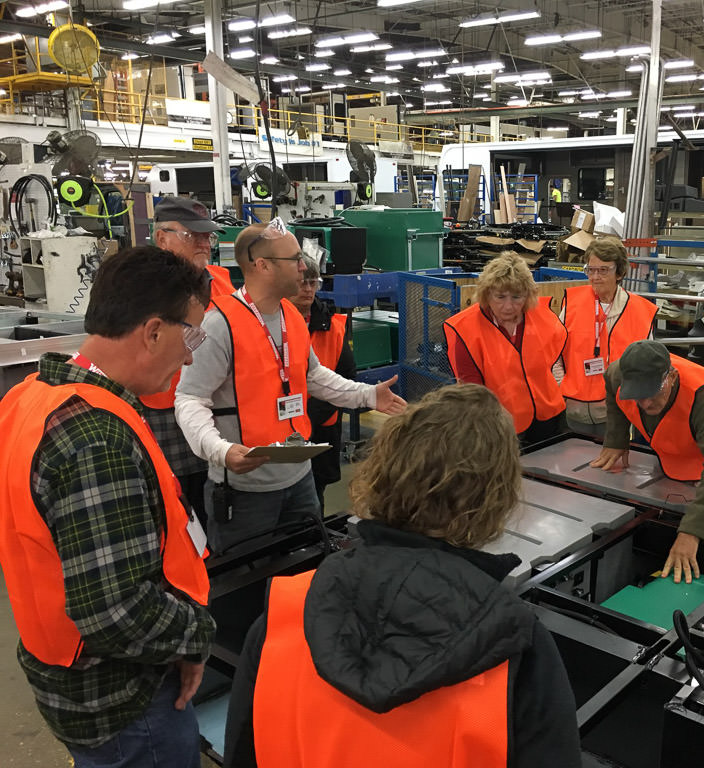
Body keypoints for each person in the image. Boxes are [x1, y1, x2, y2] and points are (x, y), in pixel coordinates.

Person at [222, 384, 581, 768]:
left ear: (384, 470)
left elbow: (243, 751)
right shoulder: (512, 645)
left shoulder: (285, 614)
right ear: (495, 499)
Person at [0, 246, 215, 767]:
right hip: (128, 699)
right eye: (190, 337)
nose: (190, 357)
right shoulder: (94, 438)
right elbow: (117, 613)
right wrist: (198, 637)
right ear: (154, 331)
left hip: (66, 673)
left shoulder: (32, 396)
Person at [175, 218, 406, 555]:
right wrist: (220, 450)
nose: (303, 267)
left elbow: (314, 376)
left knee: (305, 568)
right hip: (245, 492)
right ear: (262, 265)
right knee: (247, 586)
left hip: (299, 478)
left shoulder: (290, 316)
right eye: (294, 260)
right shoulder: (220, 324)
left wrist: (367, 395)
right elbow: (190, 398)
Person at [592, 340, 704, 584]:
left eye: (652, 393)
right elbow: (614, 396)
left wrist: (692, 532)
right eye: (637, 396)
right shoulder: (618, 374)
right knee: (667, 504)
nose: (645, 404)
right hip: (673, 435)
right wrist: (617, 439)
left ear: (672, 377)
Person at [143, 196, 236, 523]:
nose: (203, 243)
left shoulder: (221, 282)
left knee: (217, 493)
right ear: (161, 238)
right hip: (164, 407)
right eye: (191, 235)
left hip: (216, 405)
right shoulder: (138, 287)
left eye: (207, 235)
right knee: (176, 502)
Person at [444, 251, 568, 445]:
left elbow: (554, 363)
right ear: (487, 294)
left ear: (528, 295)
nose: (508, 306)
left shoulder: (543, 317)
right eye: (500, 297)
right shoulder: (466, 329)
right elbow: (472, 388)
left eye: (517, 297)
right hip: (499, 424)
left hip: (548, 415)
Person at [554, 238, 657, 436]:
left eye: (603, 270)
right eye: (590, 270)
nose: (595, 277)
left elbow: (647, 365)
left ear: (619, 273)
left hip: (618, 415)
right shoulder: (571, 306)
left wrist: (632, 401)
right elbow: (553, 354)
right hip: (573, 413)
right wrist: (562, 387)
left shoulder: (640, 311)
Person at [286, 253, 356, 511]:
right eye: (301, 282)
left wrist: (310, 416)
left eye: (312, 282)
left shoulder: (333, 327)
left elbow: (346, 375)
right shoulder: (272, 324)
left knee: (315, 493)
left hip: (321, 426)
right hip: (282, 431)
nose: (307, 289)